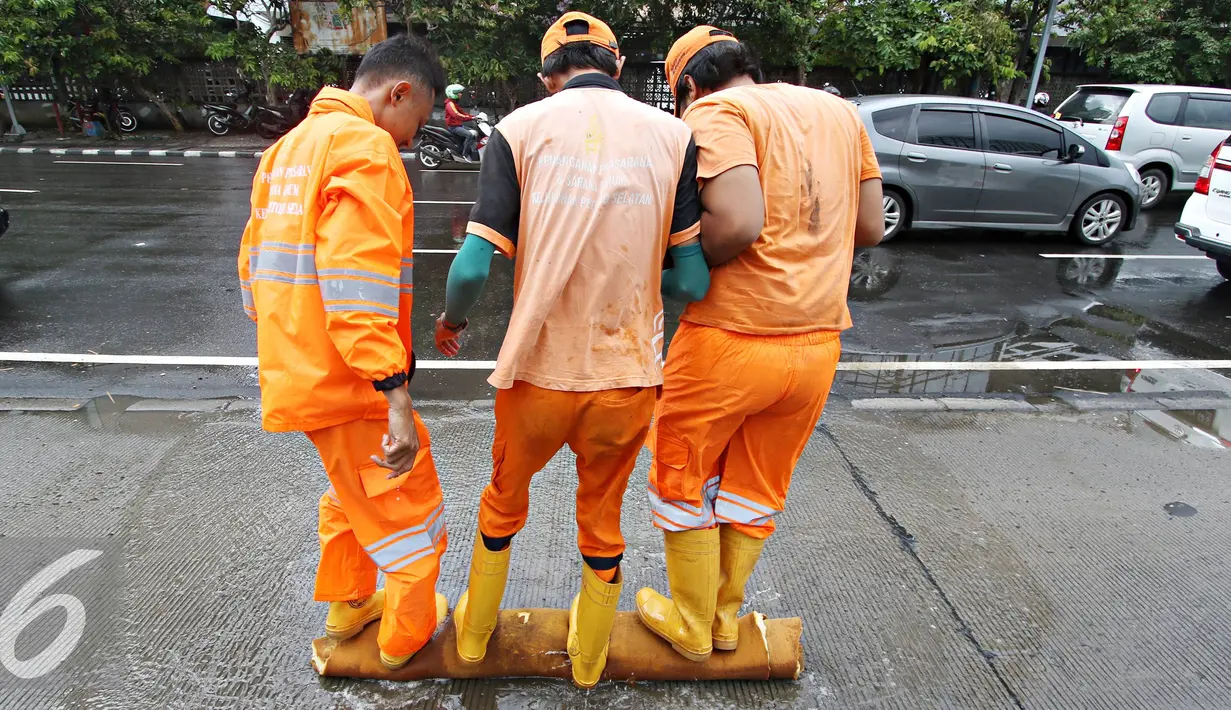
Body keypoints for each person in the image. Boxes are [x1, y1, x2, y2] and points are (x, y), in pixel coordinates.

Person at [432, 11, 710, 688]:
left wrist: (451, 323)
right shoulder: (675, 136)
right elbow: (693, 280)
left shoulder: (518, 129)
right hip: (626, 378)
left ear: (546, 76)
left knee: (503, 501)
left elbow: (471, 269)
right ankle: (587, 664)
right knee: (601, 520)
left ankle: (472, 644)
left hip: (537, 376)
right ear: (616, 66)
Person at [634, 27, 885, 663]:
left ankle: (688, 621)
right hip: (818, 344)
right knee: (755, 485)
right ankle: (723, 617)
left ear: (689, 85)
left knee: (680, 475)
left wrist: (668, 267)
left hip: (730, 338)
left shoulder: (719, 112)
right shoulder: (838, 111)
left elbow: (738, 223)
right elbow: (871, 227)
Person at [237, 35, 449, 671]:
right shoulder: (365, 147)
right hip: (350, 378)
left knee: (347, 494)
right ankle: (405, 638)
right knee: (405, 500)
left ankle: (349, 603)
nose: (415, 137)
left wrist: (290, 340)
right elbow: (358, 284)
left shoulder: (286, 151)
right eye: (420, 118)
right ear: (399, 92)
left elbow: (252, 271)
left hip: (298, 370)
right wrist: (394, 391)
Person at [445, 84, 479, 160]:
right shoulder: (450, 104)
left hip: (458, 125)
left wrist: (474, 117)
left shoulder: (454, 103)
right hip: (454, 127)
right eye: (458, 93)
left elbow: (463, 113)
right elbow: (457, 115)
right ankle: (465, 155)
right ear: (453, 94)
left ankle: (464, 151)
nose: (460, 94)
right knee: (469, 135)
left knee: (474, 132)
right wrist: (471, 118)